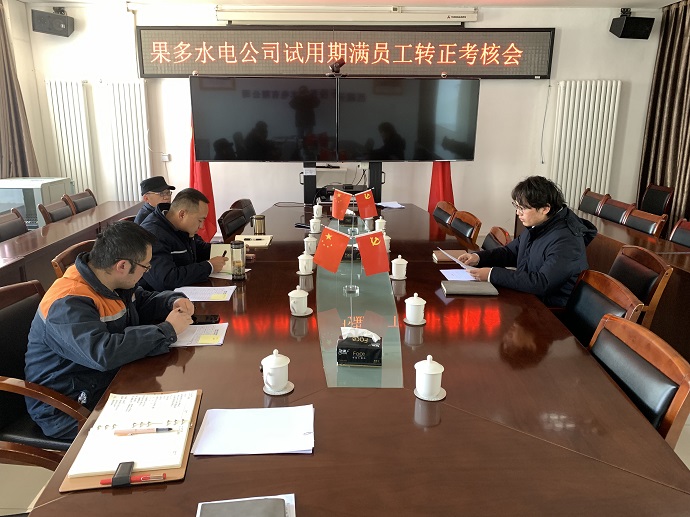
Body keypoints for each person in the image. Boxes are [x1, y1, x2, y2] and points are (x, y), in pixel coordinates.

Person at [24, 221, 195, 439]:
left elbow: (140, 301)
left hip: (105, 382)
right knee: (170, 428)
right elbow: (103, 353)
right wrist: (166, 330)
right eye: (146, 267)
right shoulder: (68, 303)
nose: (147, 272)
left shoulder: (108, 280)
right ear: (122, 266)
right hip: (70, 406)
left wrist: (172, 301)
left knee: (181, 408)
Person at [458, 176, 597, 308]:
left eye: (522, 208)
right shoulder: (540, 225)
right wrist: (478, 257)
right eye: (516, 206)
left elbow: (543, 283)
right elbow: (511, 252)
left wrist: (492, 274)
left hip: (550, 311)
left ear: (545, 209)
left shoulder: (566, 240)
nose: (518, 213)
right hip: (529, 298)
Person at [140, 188, 227, 291]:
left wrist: (231, 249)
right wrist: (209, 266)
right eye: (200, 220)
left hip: (185, 290)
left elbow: (199, 248)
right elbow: (166, 280)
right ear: (182, 214)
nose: (202, 226)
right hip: (159, 297)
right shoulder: (153, 234)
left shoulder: (180, 226)